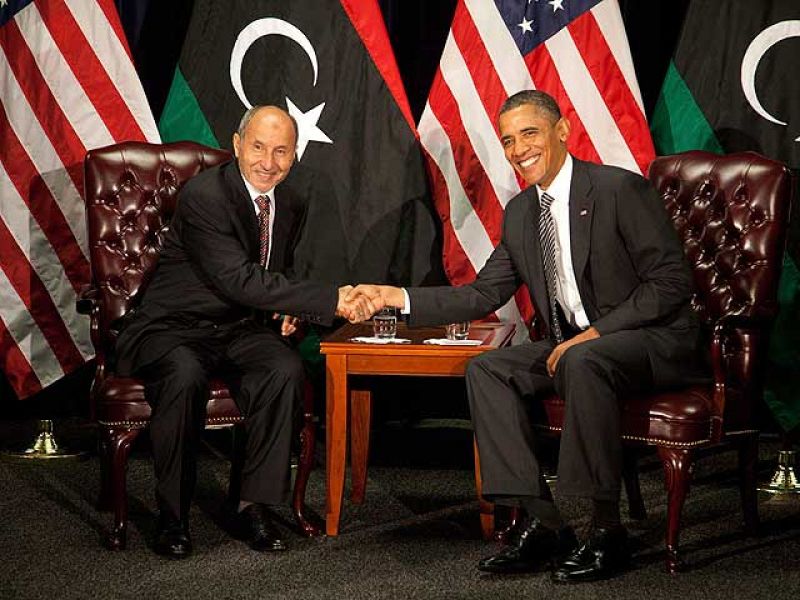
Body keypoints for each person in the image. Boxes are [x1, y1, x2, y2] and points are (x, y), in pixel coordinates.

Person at [347, 90, 706, 583]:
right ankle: (542, 521)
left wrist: (595, 334)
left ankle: (606, 531)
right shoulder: (520, 214)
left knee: (584, 360)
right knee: (488, 369)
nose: (519, 150)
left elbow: (670, 284)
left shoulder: (618, 190)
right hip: (581, 344)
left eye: (529, 134)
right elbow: (480, 294)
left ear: (562, 131)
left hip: (655, 340)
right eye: (509, 141)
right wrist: (394, 296)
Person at [115, 105, 371, 558]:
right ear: (236, 145)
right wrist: (331, 300)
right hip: (174, 326)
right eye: (258, 147)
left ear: (294, 155)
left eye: (281, 151)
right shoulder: (205, 195)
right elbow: (238, 278)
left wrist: (290, 311)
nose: (268, 162)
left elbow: (274, 274)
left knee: (284, 369)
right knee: (184, 376)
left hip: (237, 327)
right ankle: (172, 517)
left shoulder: (288, 201)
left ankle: (252, 506)